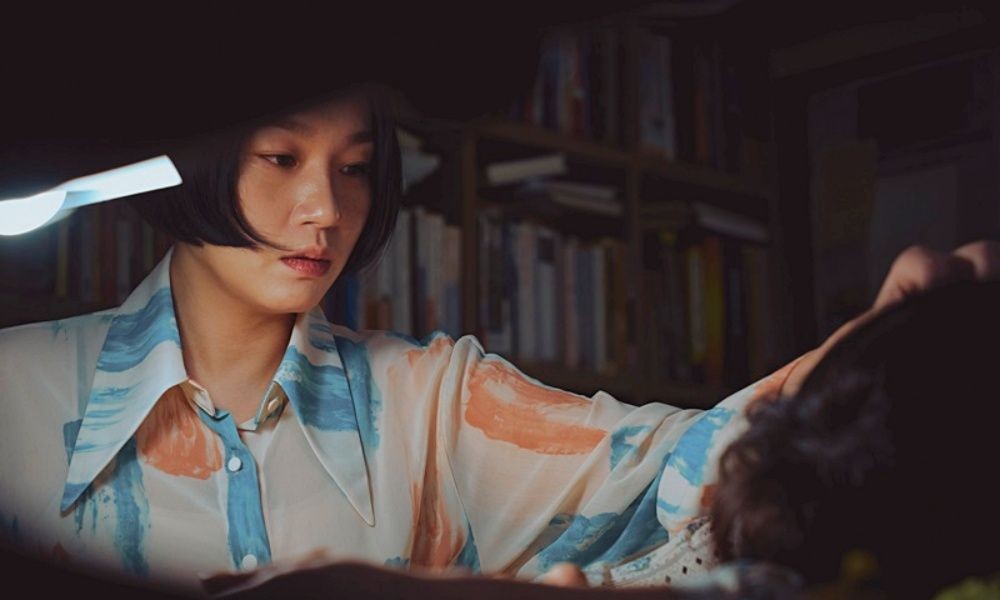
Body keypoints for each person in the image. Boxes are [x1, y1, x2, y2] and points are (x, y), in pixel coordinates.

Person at [0, 83, 996, 597]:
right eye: (279, 157)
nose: (326, 209)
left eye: (355, 168)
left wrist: (876, 340)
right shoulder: (16, 393)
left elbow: (685, 466)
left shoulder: (435, 402)